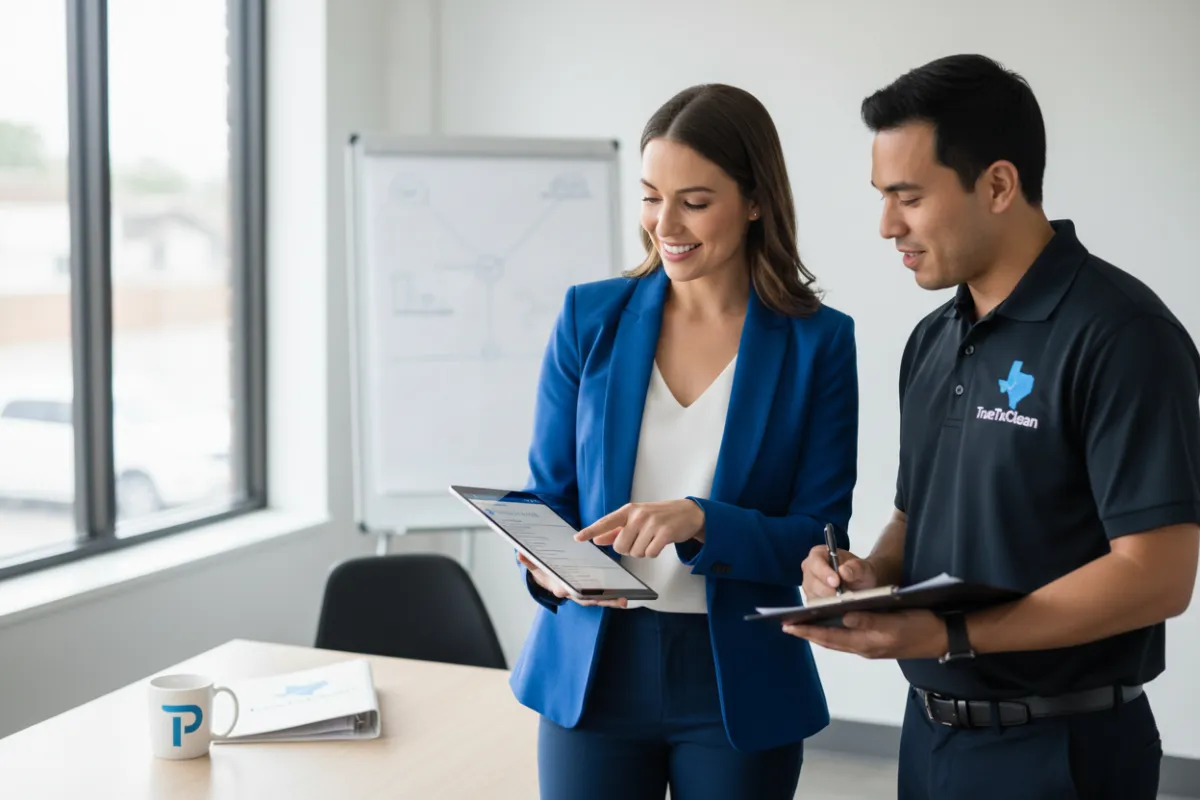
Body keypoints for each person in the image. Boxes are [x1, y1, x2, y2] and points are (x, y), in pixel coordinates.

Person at [787, 54, 1200, 800]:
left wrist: (951, 635)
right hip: (930, 738)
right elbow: (914, 517)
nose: (887, 226)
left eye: (909, 197)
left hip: (1065, 751)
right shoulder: (932, 339)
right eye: (883, 198)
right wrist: (867, 578)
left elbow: (1157, 577)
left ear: (1000, 185)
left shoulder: (1122, 335)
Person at [510, 83, 859, 799]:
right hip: (594, 670)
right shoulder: (589, 318)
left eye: (694, 202)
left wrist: (702, 520)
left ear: (755, 201)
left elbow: (818, 535)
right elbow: (547, 497)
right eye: (650, 197)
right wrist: (545, 568)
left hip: (739, 678)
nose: (663, 224)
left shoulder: (818, 343)